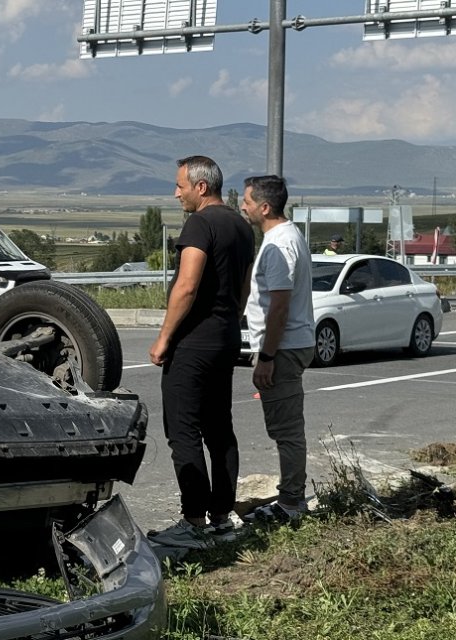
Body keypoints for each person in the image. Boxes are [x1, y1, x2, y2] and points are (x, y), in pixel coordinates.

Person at [148, 156, 255, 548]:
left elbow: (187, 286)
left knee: (183, 430)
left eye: (181, 186)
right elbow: (243, 289)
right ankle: (223, 516)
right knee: (219, 428)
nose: (177, 193)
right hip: (226, 337)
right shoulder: (242, 226)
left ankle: (193, 521)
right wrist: (228, 321)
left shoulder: (201, 223)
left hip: (193, 342)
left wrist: (164, 338)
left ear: (201, 187)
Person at [241, 175, 315, 524]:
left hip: (282, 350)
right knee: (285, 428)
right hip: (286, 346)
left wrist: (267, 357)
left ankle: (290, 505)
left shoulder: (280, 244)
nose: (243, 206)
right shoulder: (284, 236)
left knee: (286, 430)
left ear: (265, 207)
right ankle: (291, 498)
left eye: (248, 201)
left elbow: (279, 306)